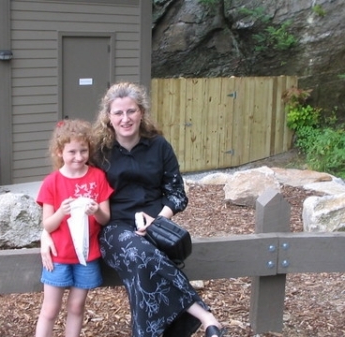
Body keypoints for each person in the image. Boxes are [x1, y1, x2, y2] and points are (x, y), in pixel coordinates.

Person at [41, 83, 226, 337]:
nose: (125, 119)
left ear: (141, 112)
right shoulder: (98, 150)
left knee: (142, 266)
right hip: (114, 227)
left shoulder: (159, 146)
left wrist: (157, 220)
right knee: (139, 252)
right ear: (108, 117)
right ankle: (205, 315)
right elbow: (67, 185)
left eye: (131, 111)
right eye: (118, 113)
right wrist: (45, 233)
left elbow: (177, 195)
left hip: (155, 225)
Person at [35, 119, 114, 337]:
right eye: (72, 152)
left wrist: (96, 209)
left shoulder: (98, 177)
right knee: (50, 309)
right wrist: (61, 212)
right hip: (58, 256)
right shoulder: (51, 182)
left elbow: (105, 218)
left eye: (83, 151)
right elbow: (48, 224)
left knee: (77, 307)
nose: (78, 157)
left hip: (87, 256)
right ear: (60, 152)